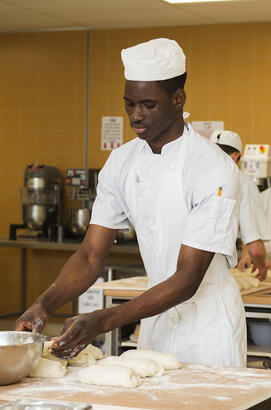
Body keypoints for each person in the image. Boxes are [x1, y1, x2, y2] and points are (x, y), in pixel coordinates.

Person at [15, 38, 246, 367]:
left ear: (178, 99)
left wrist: (103, 319)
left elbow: (187, 277)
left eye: (148, 105)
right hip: (154, 316)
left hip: (208, 326)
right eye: (129, 104)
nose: (136, 116)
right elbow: (91, 254)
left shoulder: (212, 168)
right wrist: (43, 304)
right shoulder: (121, 162)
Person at [210, 130, 271, 280]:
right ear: (237, 155)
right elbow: (255, 247)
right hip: (216, 272)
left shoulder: (193, 178)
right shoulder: (242, 182)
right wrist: (261, 266)